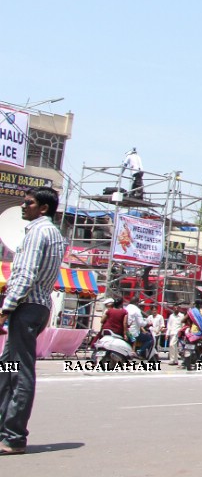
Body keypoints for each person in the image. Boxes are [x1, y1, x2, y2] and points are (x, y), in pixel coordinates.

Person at [0, 188, 68, 456]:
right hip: (36, 307)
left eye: (29, 203)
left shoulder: (38, 232)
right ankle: (6, 430)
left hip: (26, 308)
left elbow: (26, 275)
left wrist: (6, 309)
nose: (23, 206)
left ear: (43, 208)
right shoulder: (54, 234)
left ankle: (14, 437)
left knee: (19, 372)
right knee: (8, 368)